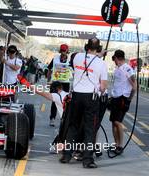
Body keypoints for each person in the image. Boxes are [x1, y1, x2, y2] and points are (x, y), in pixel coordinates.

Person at [60, 38, 108, 169]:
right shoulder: (102, 64)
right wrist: (100, 56)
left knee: (73, 126)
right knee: (90, 129)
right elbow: (103, 87)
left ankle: (66, 155)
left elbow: (85, 56)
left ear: (87, 46)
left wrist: (98, 55)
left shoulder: (76, 57)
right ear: (98, 49)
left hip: (76, 96)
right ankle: (87, 160)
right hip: (91, 98)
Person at [109, 50, 136, 155]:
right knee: (113, 121)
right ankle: (116, 144)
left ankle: (120, 145)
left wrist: (128, 100)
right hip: (115, 98)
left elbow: (134, 86)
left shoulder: (127, 68)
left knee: (117, 122)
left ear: (116, 58)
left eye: (114, 59)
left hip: (122, 98)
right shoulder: (118, 68)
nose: (114, 61)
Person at [47, 44, 72, 126]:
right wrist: (48, 80)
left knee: (65, 101)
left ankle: (63, 118)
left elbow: (75, 71)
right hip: (56, 82)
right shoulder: (55, 59)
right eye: (62, 50)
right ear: (60, 51)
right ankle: (52, 118)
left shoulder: (71, 61)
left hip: (65, 83)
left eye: (64, 51)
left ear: (67, 51)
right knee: (55, 100)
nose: (63, 52)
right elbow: (49, 69)